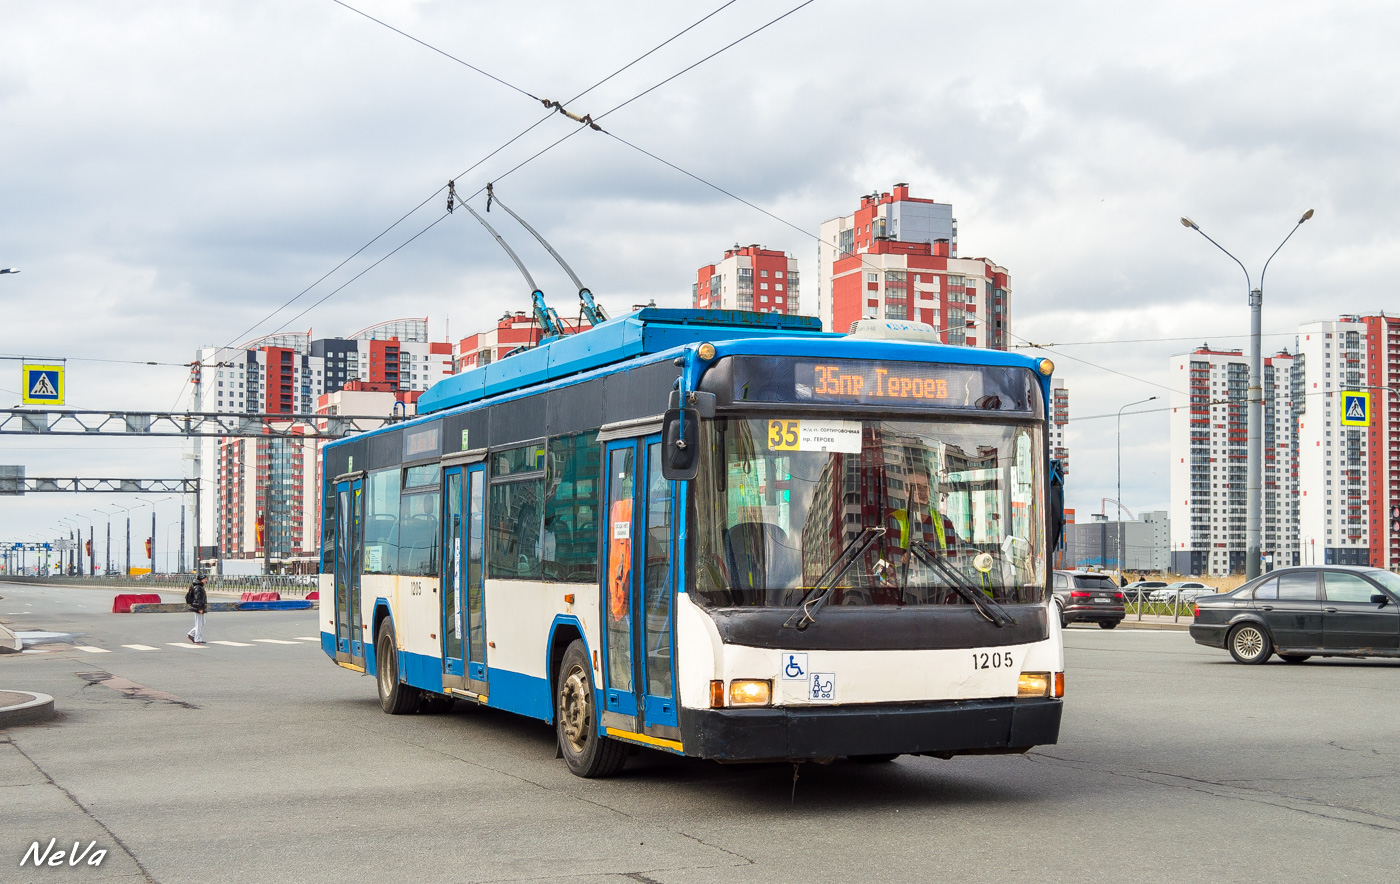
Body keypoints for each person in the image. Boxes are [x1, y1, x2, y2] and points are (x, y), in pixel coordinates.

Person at [185, 573, 208, 644]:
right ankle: (197, 639)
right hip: (198, 607)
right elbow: (198, 599)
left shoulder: (199, 586)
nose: (205, 581)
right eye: (204, 579)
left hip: (200, 606)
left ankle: (191, 634)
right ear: (201, 580)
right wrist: (200, 608)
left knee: (202, 622)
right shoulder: (198, 587)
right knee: (198, 624)